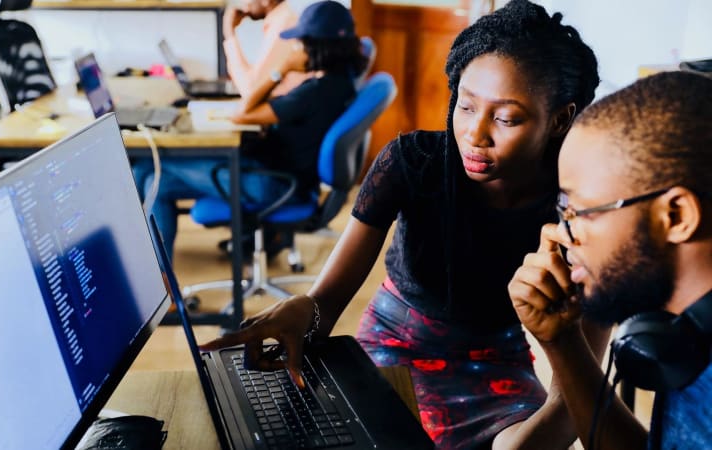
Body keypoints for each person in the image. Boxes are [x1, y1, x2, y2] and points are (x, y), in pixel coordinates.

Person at [201, 0, 604, 448]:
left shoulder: (581, 211)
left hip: (497, 364)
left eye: (506, 118)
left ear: (560, 119)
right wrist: (305, 310)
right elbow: (325, 304)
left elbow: (573, 400)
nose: (475, 135)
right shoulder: (412, 164)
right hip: (394, 346)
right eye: (465, 106)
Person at [508, 71, 712, 449]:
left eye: (579, 211)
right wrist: (562, 341)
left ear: (676, 216)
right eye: (562, 210)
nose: (560, 233)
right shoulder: (684, 334)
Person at [135, 1, 367, 257]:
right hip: (281, 177)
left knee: (148, 168)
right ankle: (160, 273)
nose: (295, 47)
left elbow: (242, 113)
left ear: (316, 47)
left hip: (272, 184)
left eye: (300, 42)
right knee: (157, 182)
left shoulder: (315, 93)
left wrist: (281, 70)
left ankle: (148, 267)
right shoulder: (339, 83)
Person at [223, 0, 308, 98]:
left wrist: (229, 33)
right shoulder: (282, 20)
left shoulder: (282, 27)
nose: (243, 2)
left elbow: (251, 91)